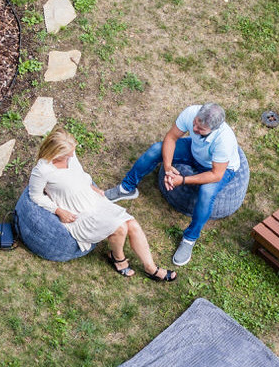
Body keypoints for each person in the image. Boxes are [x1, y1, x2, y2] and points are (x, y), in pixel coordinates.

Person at [28, 126, 176, 282]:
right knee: (120, 227)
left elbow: (79, 174)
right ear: (56, 152)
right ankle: (118, 259)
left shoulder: (70, 157)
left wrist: (91, 186)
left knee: (131, 223)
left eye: (73, 150)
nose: (73, 154)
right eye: (68, 153)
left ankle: (151, 268)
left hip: (93, 200)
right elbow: (35, 195)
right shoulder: (43, 170)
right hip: (77, 213)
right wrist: (58, 211)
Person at [105, 103, 240, 267]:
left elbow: (215, 174)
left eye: (200, 129)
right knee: (157, 149)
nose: (194, 129)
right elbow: (171, 137)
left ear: (214, 129)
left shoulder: (224, 141)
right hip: (194, 151)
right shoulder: (191, 112)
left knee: (206, 193)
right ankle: (127, 188)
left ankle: (190, 238)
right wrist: (168, 168)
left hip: (217, 168)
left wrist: (182, 180)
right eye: (195, 123)